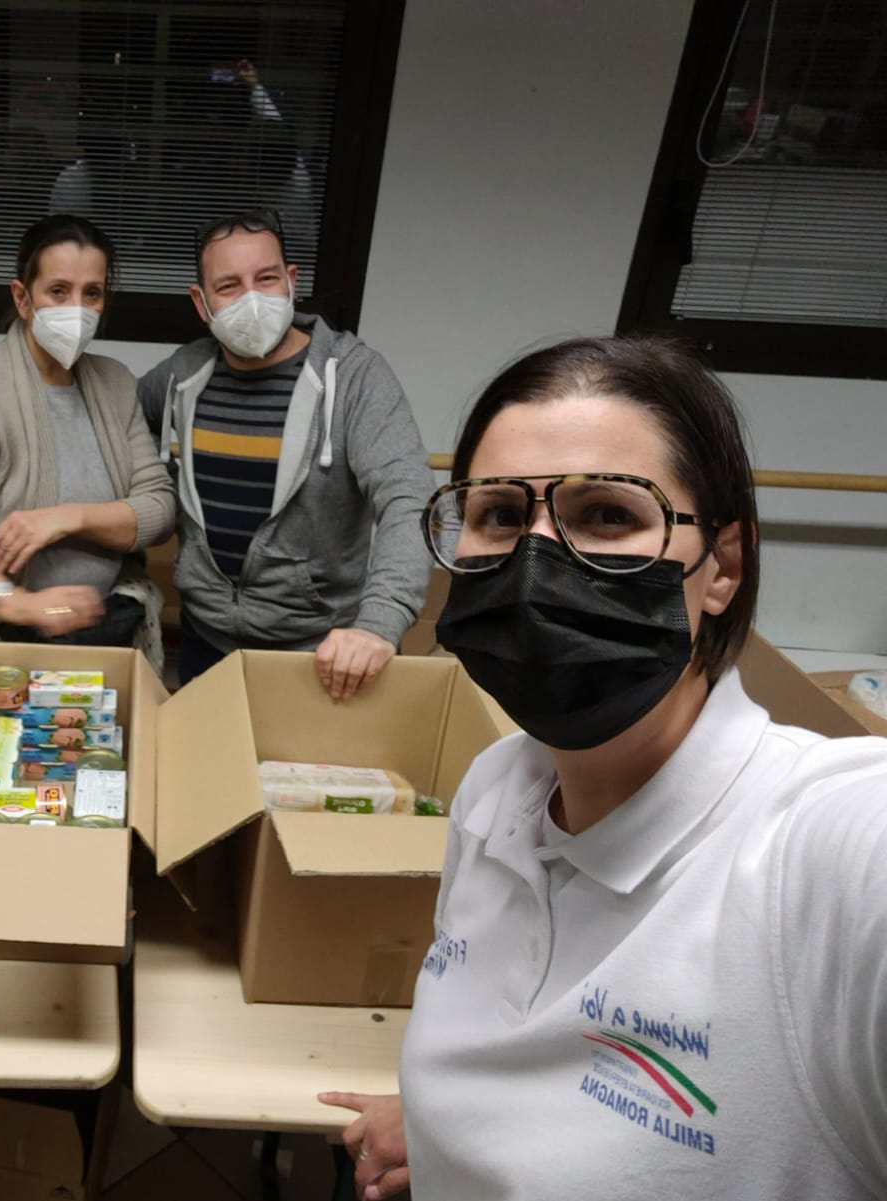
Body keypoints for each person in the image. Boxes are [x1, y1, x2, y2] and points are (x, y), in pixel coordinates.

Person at [320, 336, 887, 1200]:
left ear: (723, 566)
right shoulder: (495, 790)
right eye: (499, 515)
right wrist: (444, 1121)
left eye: (608, 515)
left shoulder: (821, 854)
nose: (535, 562)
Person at [137, 209, 433, 697]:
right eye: (229, 286)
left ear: (291, 281)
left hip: (323, 653)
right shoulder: (181, 373)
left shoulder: (355, 376)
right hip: (205, 641)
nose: (251, 299)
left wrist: (379, 623)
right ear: (201, 302)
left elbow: (410, 501)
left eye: (266, 278)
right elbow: (117, 423)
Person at [0, 213, 177, 656]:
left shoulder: (116, 384)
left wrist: (68, 518)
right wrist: (19, 603)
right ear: (22, 297)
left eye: (92, 293)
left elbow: (159, 509)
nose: (76, 309)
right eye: (58, 291)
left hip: (100, 631)